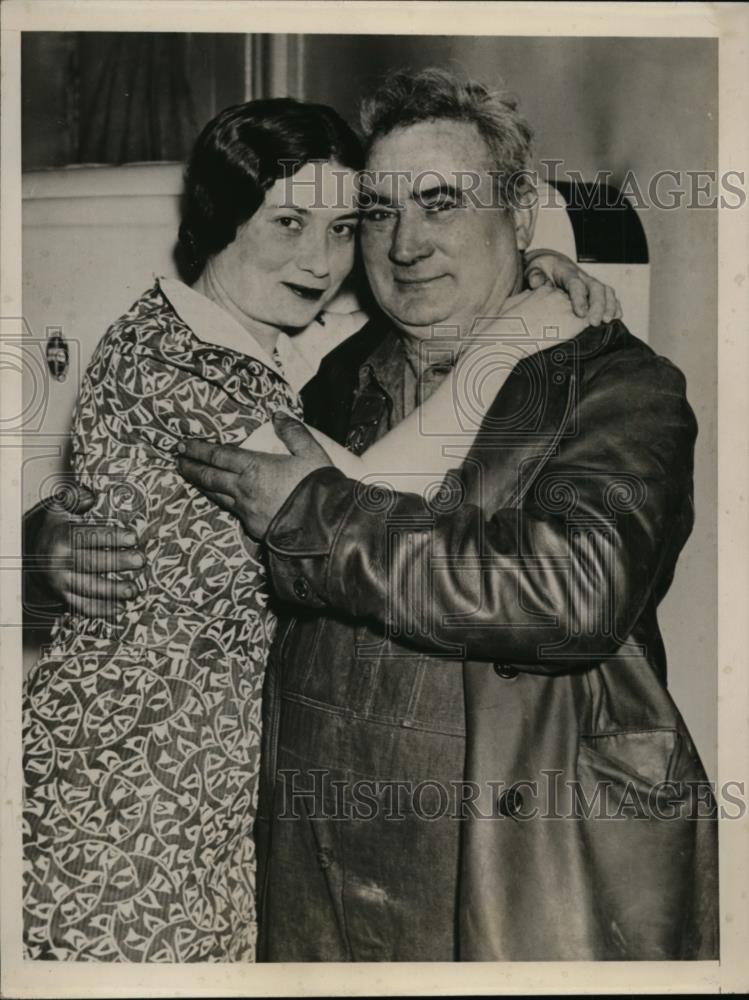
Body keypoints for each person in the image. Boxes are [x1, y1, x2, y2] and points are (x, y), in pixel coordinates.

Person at [22, 94, 613, 962]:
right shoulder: (183, 363)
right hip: (127, 793)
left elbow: (430, 280)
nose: (321, 260)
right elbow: (351, 493)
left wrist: (537, 260)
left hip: (209, 797)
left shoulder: (263, 330)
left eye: (344, 228)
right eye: (290, 221)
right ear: (222, 218)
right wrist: (519, 337)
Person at [178, 69, 719, 962]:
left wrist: (321, 517)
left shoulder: (621, 386)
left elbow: (570, 592)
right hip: (317, 867)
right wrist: (67, 541)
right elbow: (213, 529)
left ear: (518, 216)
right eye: (381, 212)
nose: (406, 243)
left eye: (441, 203)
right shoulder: (339, 369)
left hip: (503, 863)